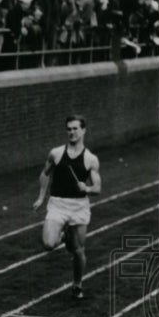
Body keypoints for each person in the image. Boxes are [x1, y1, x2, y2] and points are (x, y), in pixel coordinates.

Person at [32, 114, 101, 300]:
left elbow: (98, 188)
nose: (71, 132)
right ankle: (63, 235)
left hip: (78, 207)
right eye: (69, 129)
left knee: (78, 250)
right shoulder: (55, 153)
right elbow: (45, 174)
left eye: (75, 128)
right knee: (48, 244)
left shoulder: (90, 159)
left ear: (83, 130)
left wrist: (86, 187)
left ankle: (77, 284)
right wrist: (40, 198)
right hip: (57, 204)